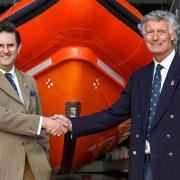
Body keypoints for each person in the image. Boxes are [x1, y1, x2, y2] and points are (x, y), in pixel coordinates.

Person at [58, 10, 180, 180]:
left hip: (173, 166)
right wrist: (71, 124)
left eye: (161, 32)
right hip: (141, 165)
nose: (155, 38)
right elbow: (113, 115)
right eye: (150, 32)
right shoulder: (139, 77)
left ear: (173, 35)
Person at [0, 22, 69, 180]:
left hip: (36, 168)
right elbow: (2, 117)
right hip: (5, 168)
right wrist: (43, 122)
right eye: (1, 45)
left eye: (10, 45)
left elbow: (39, 119)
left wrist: (44, 158)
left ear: (19, 48)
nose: (5, 51)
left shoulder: (30, 81)